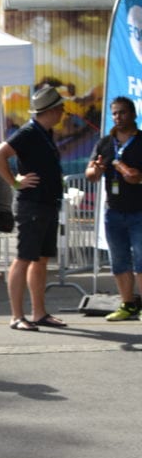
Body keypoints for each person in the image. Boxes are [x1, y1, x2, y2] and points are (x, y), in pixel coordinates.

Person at [0, 85, 69, 331]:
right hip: (31, 204)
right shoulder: (29, 132)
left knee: (41, 259)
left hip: (46, 203)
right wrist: (14, 181)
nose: (63, 112)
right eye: (60, 108)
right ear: (52, 110)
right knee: (24, 257)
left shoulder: (45, 132)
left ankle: (39, 312)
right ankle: (17, 315)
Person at [85, 96, 142, 320]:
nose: (118, 117)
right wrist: (96, 170)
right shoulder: (105, 143)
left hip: (139, 211)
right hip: (114, 212)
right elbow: (90, 174)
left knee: (141, 261)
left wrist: (128, 171)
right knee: (119, 261)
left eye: (123, 113)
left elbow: (135, 176)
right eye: (115, 113)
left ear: (133, 114)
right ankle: (127, 305)